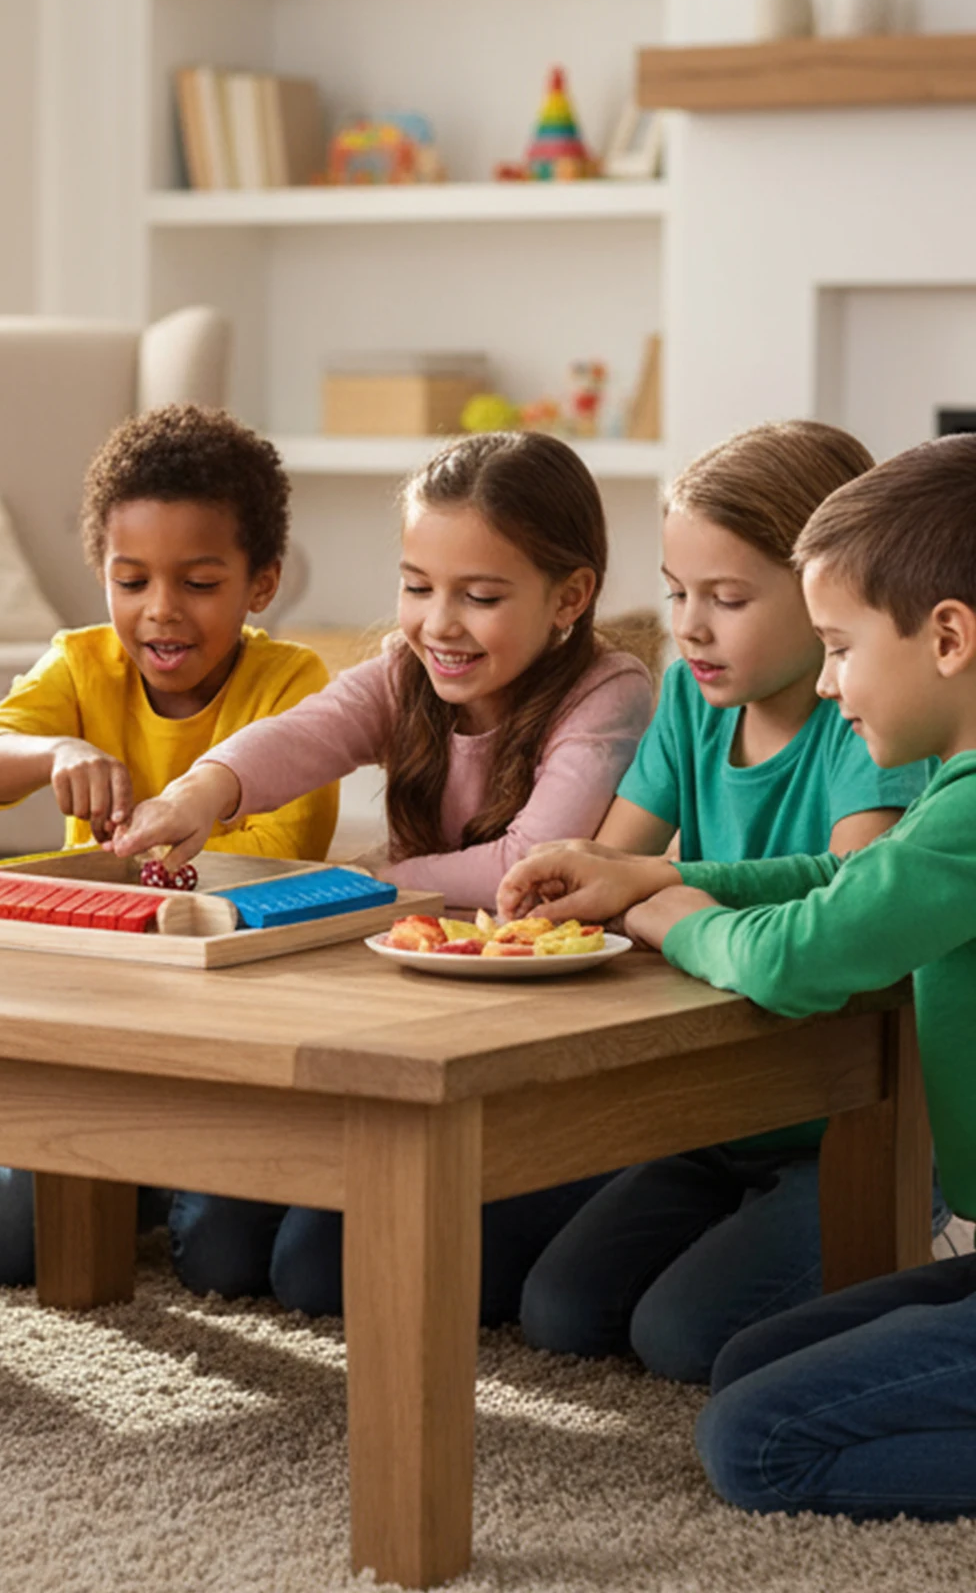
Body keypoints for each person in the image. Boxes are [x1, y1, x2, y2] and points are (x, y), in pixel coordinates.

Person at [495, 433, 976, 1519]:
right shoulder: (955, 796)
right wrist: (655, 873)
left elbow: (799, 956)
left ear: (948, 637)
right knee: (752, 1358)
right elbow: (847, 880)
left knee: (755, 1445)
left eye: (841, 647)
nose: (830, 680)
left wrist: (673, 913)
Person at [110, 429, 653, 1315]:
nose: (440, 623)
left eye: (480, 596)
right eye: (417, 587)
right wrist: (202, 791)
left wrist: (377, 875)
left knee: (315, 1274)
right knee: (219, 1255)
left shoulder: (610, 692)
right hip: (408, 1010)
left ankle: (576, 1193)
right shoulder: (407, 673)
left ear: (570, 596)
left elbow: (529, 862)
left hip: (532, 1030)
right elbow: (309, 731)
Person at [0, 405, 339, 1287]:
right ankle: (130, 1169)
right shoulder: (82, 664)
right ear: (103, 575)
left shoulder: (292, 683)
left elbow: (281, 849)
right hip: (96, 1020)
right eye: (131, 581)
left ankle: (159, 1174)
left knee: (223, 1263)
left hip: (229, 1036)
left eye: (199, 583)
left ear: (262, 583)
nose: (161, 611)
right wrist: (54, 751)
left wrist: (144, 847)